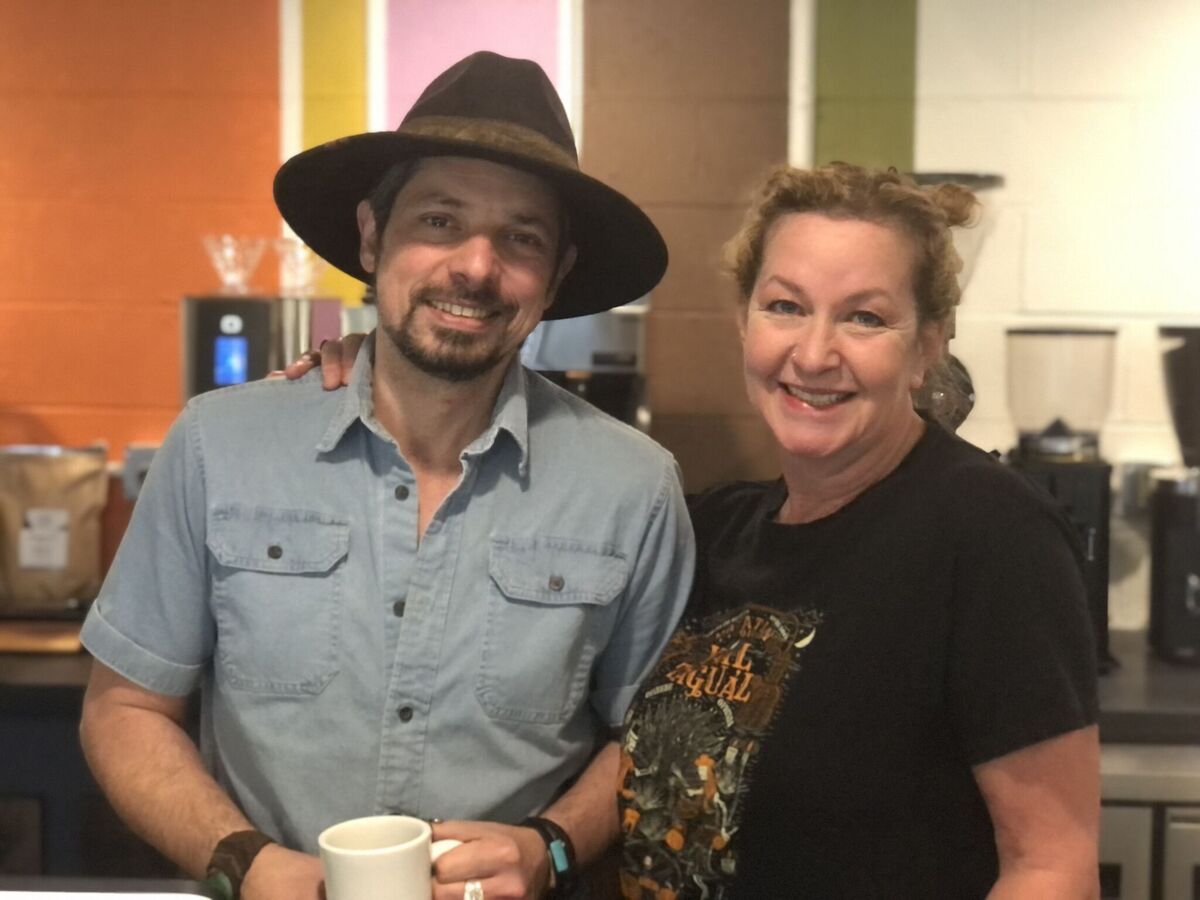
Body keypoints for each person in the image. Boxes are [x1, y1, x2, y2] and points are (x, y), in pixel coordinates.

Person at [305, 162, 1101, 898]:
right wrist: (369, 374)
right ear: (744, 321)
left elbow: (1052, 865)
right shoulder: (716, 529)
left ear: (928, 346)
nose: (814, 352)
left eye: (864, 318)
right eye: (785, 307)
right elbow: (628, 744)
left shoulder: (989, 533)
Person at [79, 52, 694, 900]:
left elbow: (654, 739)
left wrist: (549, 847)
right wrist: (243, 864)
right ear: (373, 236)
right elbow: (124, 710)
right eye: (440, 222)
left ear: (554, 276)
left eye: (521, 239)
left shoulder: (634, 488)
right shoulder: (221, 447)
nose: (476, 268)